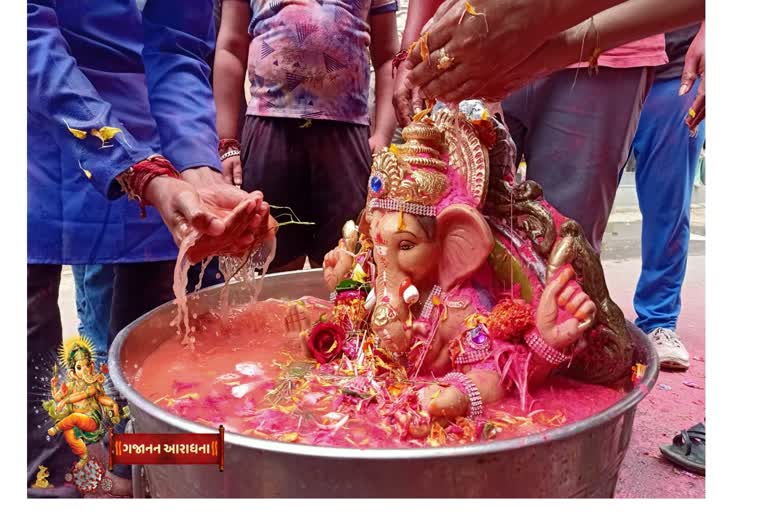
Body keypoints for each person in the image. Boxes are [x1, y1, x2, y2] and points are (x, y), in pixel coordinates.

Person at [28, 0, 271, 495]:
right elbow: (25, 32)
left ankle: (143, 479)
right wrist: (138, 170)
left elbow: (180, 46)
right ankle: (45, 487)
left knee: (158, 346)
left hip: (156, 140)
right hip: (35, 127)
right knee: (29, 352)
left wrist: (197, 167)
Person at [213, 0, 399, 272]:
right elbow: (230, 48)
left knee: (349, 264)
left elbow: (387, 58)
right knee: (265, 263)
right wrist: (228, 141)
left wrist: (382, 135)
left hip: (345, 138)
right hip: (269, 132)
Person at [630, 23, 705, 370]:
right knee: (574, 208)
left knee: (669, 208)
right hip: (602, 63)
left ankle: (658, 320)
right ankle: (573, 320)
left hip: (678, 70)